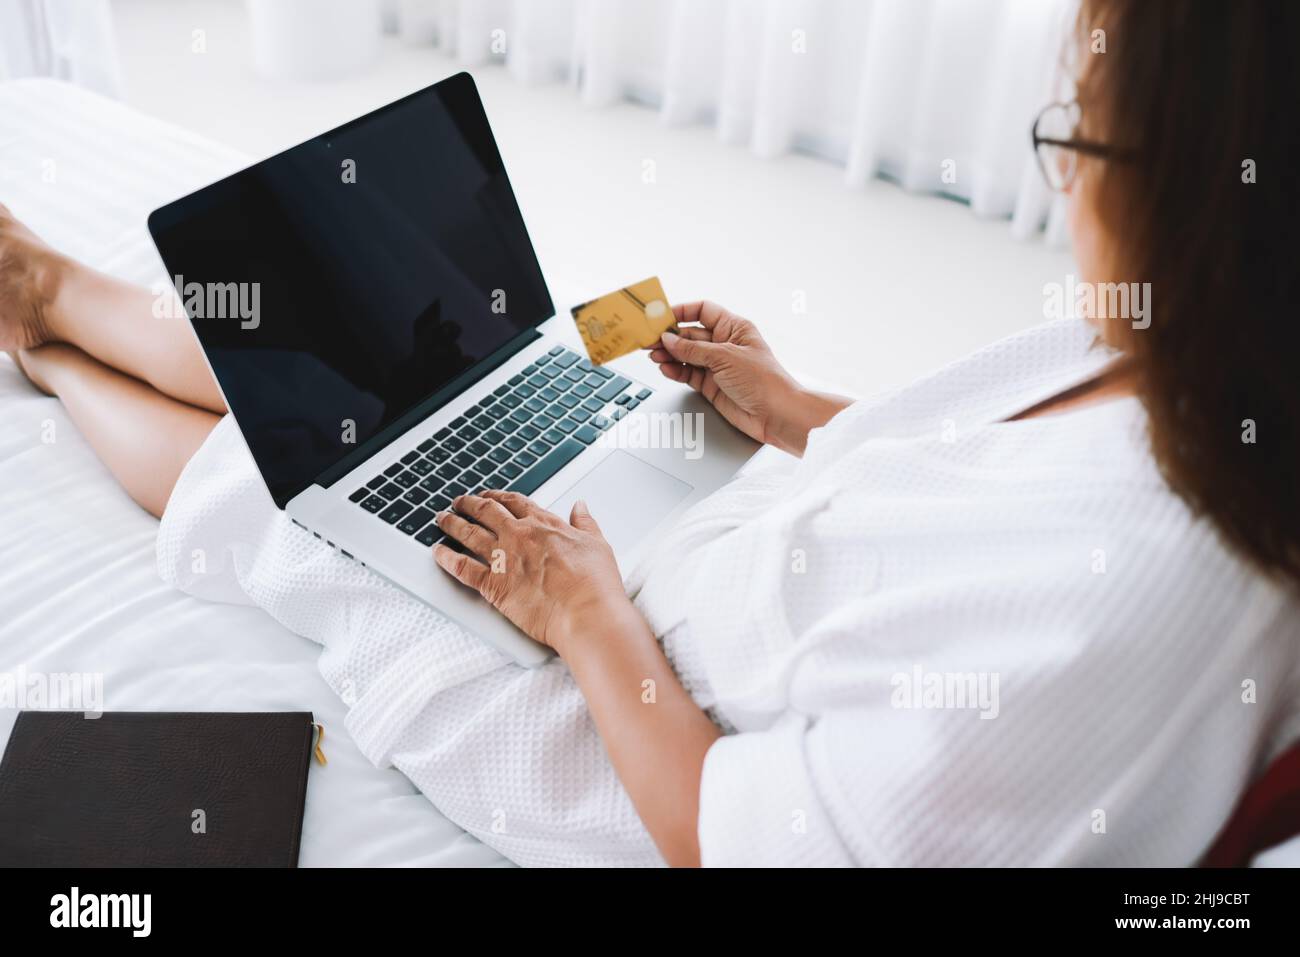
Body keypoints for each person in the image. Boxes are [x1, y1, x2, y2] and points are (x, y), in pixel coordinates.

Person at [3, 0, 1298, 866]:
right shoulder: (1210, 368)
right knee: (423, 371)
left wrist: (585, 618)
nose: (1061, 180)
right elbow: (981, 486)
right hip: (697, 562)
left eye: (1078, 139)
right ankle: (60, 294)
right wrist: (795, 411)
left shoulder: (1138, 603)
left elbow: (743, 837)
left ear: (1202, 191)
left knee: (294, 491)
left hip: (619, 711)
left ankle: (50, 343)